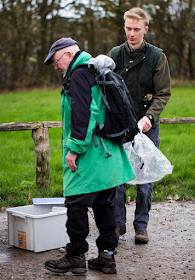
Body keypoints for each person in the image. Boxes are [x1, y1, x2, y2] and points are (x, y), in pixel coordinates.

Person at [43, 38, 135, 275]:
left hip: (90, 152)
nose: (55, 67)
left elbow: (83, 113)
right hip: (108, 152)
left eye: (56, 61)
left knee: (76, 203)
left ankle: (75, 256)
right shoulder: (93, 69)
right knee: (105, 204)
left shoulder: (79, 74)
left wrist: (74, 149)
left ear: (67, 54)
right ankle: (107, 257)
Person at [108, 7, 171, 243]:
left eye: (136, 29)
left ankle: (141, 226)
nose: (131, 34)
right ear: (124, 27)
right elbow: (105, 87)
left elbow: (163, 93)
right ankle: (117, 224)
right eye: (128, 28)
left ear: (145, 29)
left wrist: (150, 118)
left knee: (145, 178)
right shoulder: (114, 54)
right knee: (118, 177)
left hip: (146, 125)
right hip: (120, 125)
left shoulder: (157, 57)